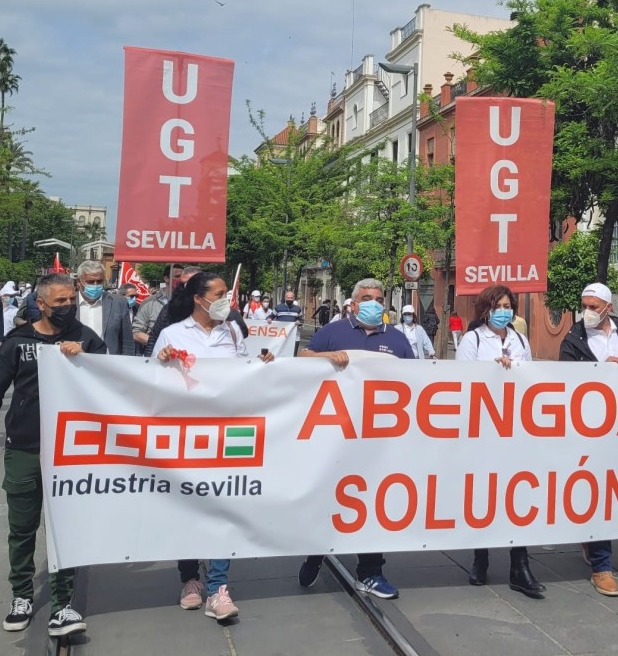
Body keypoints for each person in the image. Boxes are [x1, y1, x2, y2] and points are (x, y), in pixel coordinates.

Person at [0, 273, 104, 638]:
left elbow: (112, 380)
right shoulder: (17, 342)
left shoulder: (87, 339)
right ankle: (22, 595)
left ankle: (63, 603)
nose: (68, 307)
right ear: (40, 304)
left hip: (70, 453)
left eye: (70, 300)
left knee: (66, 529)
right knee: (22, 528)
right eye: (59, 302)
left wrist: (87, 359)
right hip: (25, 448)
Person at [152, 271, 273, 621]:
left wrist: (261, 364)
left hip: (225, 433)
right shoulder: (172, 334)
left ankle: (218, 586)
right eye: (220, 294)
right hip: (186, 434)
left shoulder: (232, 332)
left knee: (223, 505)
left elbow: (243, 373)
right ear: (199, 298)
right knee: (188, 505)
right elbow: (152, 382)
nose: (227, 300)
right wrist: (161, 363)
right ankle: (190, 578)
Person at [297, 277, 412, 600]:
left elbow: (418, 381)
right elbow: (301, 358)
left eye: (378, 297)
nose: (373, 302)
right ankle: (316, 552)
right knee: (332, 498)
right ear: (354, 302)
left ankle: (371, 571)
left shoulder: (399, 340)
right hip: (336, 435)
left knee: (373, 503)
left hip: (379, 439)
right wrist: (326, 359)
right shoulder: (334, 333)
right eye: (366, 297)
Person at [456, 284, 545, 599]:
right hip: (484, 431)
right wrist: (493, 374)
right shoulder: (474, 340)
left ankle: (519, 565)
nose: (504, 311)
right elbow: (462, 384)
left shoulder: (520, 340)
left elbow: (531, 380)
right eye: (498, 306)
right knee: (485, 494)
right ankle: (481, 557)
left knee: (517, 494)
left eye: (508, 305)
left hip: (516, 429)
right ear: (486, 309)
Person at [558, 282, 618, 596]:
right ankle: (602, 567)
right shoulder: (573, 339)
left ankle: (591, 542)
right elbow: (565, 379)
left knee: (617, 491)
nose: (587, 312)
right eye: (585, 306)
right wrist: (598, 371)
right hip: (589, 428)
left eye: (594, 307)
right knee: (599, 492)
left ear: (609, 308)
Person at [75, 260, 134, 355]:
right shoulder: (69, 302)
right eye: (90, 281)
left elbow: (127, 342)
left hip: (108, 365)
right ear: (79, 282)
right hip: (76, 363)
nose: (95, 285)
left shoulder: (118, 303)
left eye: (99, 281)